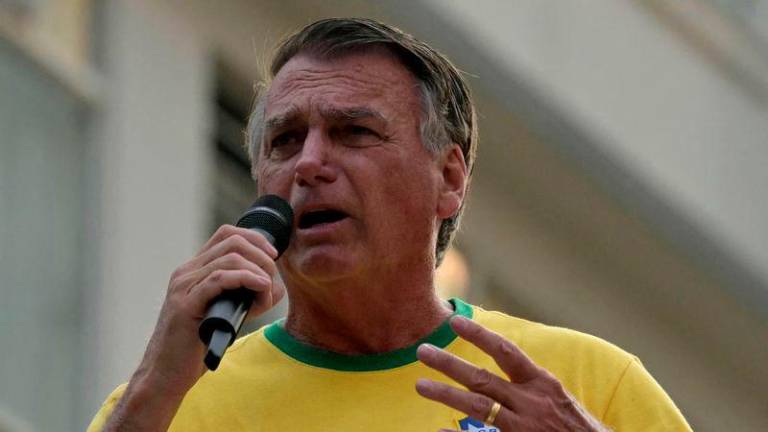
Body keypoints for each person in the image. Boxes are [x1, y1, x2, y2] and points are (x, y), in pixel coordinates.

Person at [88, 18, 692, 431]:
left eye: (355, 132)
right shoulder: (169, 406)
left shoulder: (588, 383)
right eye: (285, 140)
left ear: (450, 180)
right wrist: (150, 387)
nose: (310, 164)